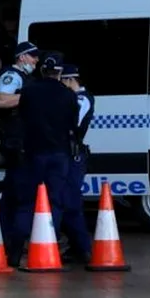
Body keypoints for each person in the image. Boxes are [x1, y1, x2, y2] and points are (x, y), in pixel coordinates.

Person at [11, 54, 77, 268]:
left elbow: (21, 116)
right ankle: (48, 246)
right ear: (59, 72)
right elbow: (73, 125)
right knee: (55, 202)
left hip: (33, 153)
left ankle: (16, 251)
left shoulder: (29, 91)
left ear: (42, 70)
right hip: (59, 154)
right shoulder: (68, 95)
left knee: (27, 202)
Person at [0, 40, 40, 254]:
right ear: (22, 57)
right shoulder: (11, 76)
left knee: (13, 192)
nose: (36, 60)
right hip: (16, 141)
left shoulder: (26, 78)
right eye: (33, 56)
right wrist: (31, 97)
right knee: (20, 193)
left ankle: (8, 238)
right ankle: (13, 241)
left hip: (22, 140)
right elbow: (2, 101)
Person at [58, 63, 94, 264]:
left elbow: (73, 123)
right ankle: (76, 245)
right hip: (66, 154)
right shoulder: (74, 98)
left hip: (74, 155)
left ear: (70, 80)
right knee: (63, 201)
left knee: (70, 202)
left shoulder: (82, 99)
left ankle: (83, 248)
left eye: (63, 80)